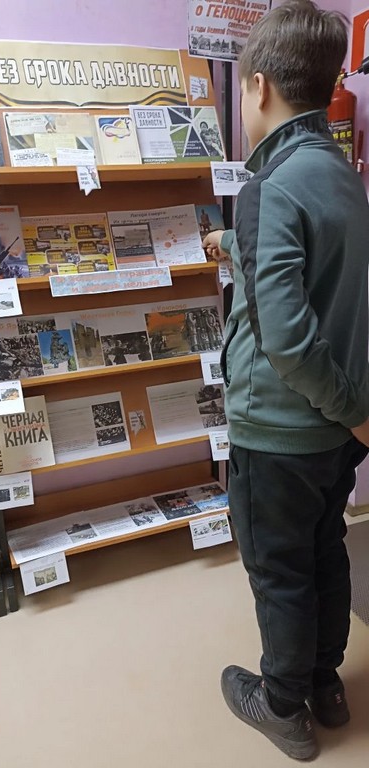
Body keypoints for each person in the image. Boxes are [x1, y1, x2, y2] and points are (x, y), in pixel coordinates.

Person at [203, 1, 369, 760]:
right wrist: (233, 243)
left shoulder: (266, 187)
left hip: (280, 429)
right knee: (326, 549)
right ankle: (326, 684)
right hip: (334, 434)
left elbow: (289, 341)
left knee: (279, 572)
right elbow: (317, 266)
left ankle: (281, 706)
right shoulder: (339, 173)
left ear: (259, 86)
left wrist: (353, 408)